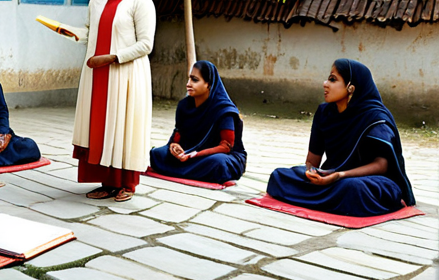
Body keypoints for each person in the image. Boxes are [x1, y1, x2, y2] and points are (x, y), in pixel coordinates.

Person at [54, 0, 156, 202]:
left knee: (123, 126)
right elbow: (92, 32)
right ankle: (107, 182)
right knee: (100, 125)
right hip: (96, 72)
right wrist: (71, 32)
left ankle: (126, 184)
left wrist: (112, 58)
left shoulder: (140, 0)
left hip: (126, 74)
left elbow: (146, 44)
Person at [266, 59, 414, 217]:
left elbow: (382, 165)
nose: (325, 84)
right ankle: (328, 198)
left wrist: (340, 175)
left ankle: (324, 197)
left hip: (367, 181)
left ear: (351, 87)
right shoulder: (324, 112)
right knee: (279, 176)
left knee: (352, 190)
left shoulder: (374, 117)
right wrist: (313, 173)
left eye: (332, 79)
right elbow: (312, 161)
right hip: (331, 177)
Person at [149, 61, 247, 183]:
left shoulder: (223, 110)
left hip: (217, 156)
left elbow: (226, 147)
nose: (188, 84)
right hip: (187, 153)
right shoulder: (184, 106)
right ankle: (188, 170)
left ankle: (181, 169)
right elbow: (177, 136)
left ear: (209, 84)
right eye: (189, 79)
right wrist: (175, 147)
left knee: (218, 163)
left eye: (194, 80)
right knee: (157, 154)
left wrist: (194, 155)